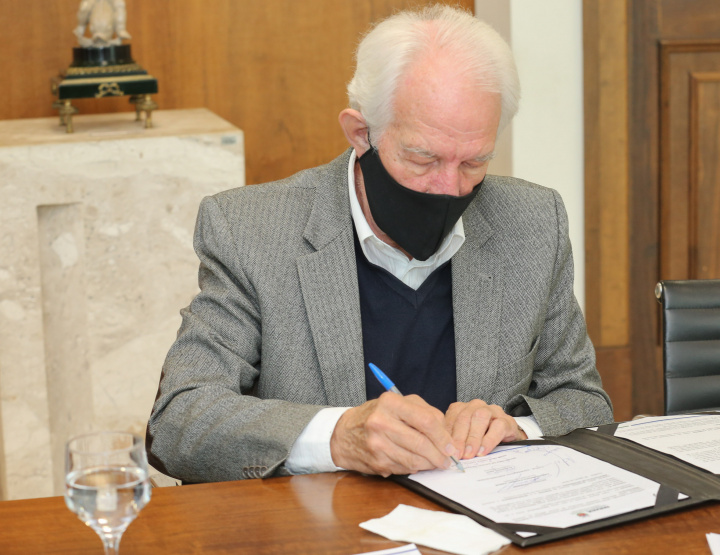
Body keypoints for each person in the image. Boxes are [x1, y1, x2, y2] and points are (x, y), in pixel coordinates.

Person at [146, 4, 613, 483]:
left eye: (474, 163)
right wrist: (337, 436)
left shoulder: (533, 223)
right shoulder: (250, 231)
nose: (450, 188)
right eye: (422, 158)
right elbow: (180, 421)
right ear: (360, 133)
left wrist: (519, 427)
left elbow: (583, 401)